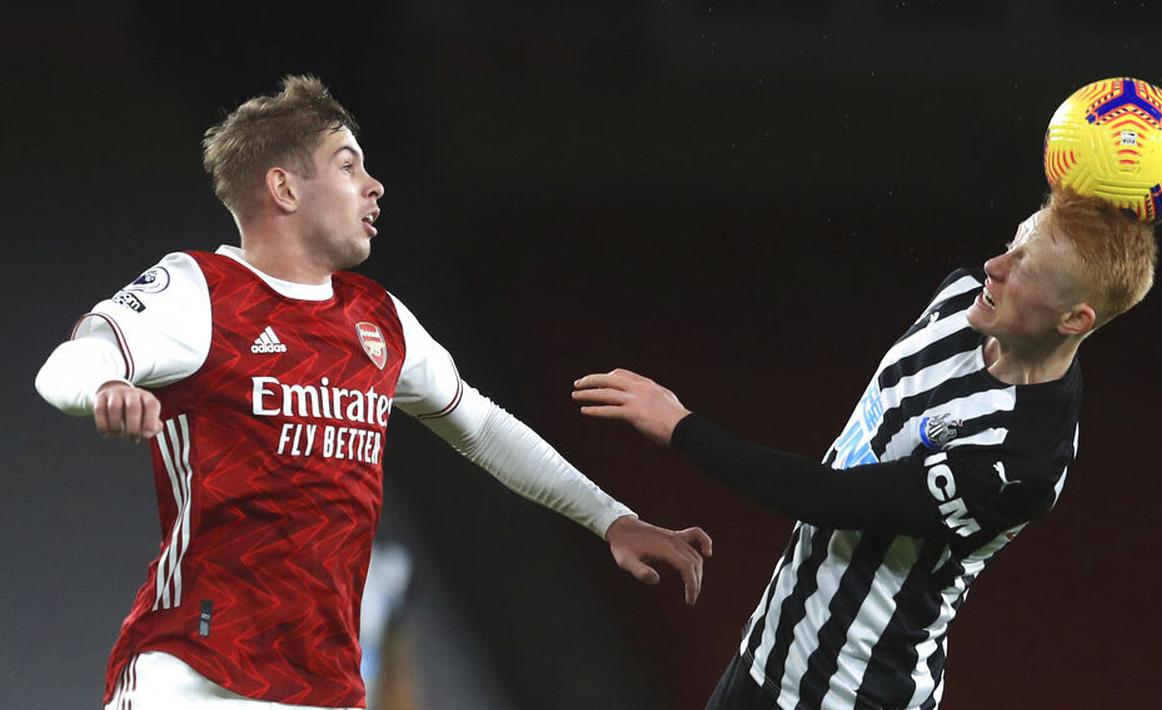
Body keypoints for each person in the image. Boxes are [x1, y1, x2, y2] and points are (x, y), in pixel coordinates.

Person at [34, 75, 712, 710]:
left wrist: (609, 518)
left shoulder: (377, 317)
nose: (375, 185)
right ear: (284, 188)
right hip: (196, 672)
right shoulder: (201, 290)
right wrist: (105, 388)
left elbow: (479, 425)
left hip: (324, 684)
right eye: (348, 165)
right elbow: (76, 356)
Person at [572, 187, 1156, 709]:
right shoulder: (961, 301)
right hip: (768, 654)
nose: (994, 266)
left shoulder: (1018, 461)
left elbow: (831, 498)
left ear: (1075, 319)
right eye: (1011, 244)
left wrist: (680, 426)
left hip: (853, 691)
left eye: (1024, 267)